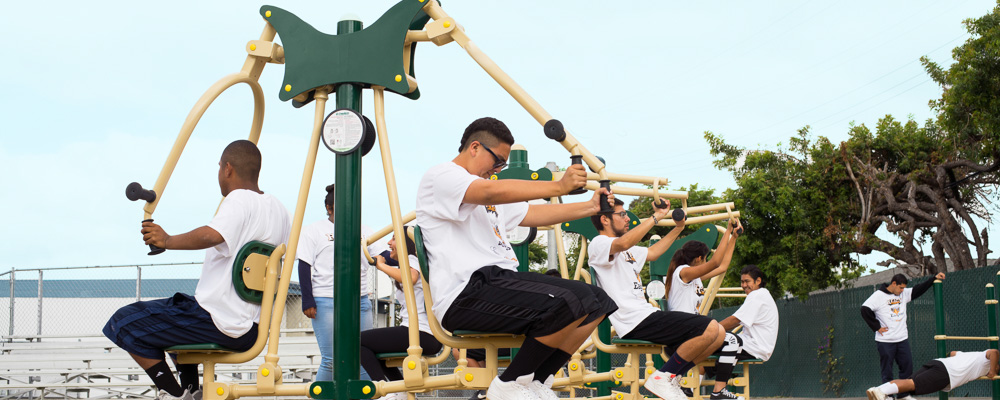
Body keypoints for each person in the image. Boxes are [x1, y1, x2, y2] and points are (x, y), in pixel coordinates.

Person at [416, 117, 618, 400]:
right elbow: (487, 191)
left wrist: (589, 207)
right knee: (570, 302)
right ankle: (510, 383)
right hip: (466, 291)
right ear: (474, 147)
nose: (497, 170)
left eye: (503, 166)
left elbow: (533, 214)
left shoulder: (487, 193)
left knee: (598, 302)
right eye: (497, 161)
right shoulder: (442, 176)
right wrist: (559, 187)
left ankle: (536, 380)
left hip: (497, 283)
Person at [104, 140, 291, 400]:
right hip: (253, 325)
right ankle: (191, 390)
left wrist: (167, 241)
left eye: (219, 169)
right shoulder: (279, 209)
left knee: (122, 323)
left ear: (227, 169)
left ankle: (175, 395)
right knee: (175, 313)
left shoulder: (237, 199)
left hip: (221, 319)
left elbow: (212, 235)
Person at [588, 198, 728, 400]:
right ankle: (664, 376)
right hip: (633, 320)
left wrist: (678, 228)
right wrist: (657, 217)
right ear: (605, 219)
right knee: (711, 328)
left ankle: (670, 377)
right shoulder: (599, 244)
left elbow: (653, 252)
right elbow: (624, 242)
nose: (627, 218)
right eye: (622, 214)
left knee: (719, 334)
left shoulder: (627, 249)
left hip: (647, 314)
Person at [297, 183, 387, 382]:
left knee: (362, 356)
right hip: (326, 300)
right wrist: (307, 299)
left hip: (359, 301)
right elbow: (304, 265)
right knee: (332, 359)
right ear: (329, 208)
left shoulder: (365, 230)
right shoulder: (315, 230)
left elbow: (384, 256)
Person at [359, 232, 443, 400]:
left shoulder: (412, 259)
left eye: (394, 238)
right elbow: (392, 263)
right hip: (422, 334)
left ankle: (384, 391)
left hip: (421, 333)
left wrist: (381, 266)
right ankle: (400, 391)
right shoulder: (407, 263)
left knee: (357, 341)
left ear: (405, 243)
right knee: (370, 348)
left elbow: (411, 277)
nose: (389, 242)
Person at [861, 272, 947, 400]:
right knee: (887, 370)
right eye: (900, 287)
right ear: (893, 283)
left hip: (902, 339)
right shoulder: (878, 296)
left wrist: (933, 278)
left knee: (907, 367)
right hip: (885, 340)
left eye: (904, 288)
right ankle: (887, 395)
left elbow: (919, 289)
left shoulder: (903, 293)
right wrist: (876, 327)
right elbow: (865, 309)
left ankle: (903, 394)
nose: (902, 290)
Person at [709, 264, 779, 400]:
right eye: (742, 282)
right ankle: (690, 389)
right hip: (755, 344)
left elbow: (735, 320)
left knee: (729, 340)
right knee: (709, 351)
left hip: (756, 345)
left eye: (747, 281)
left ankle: (718, 392)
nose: (744, 285)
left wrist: (709, 330)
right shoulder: (761, 295)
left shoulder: (757, 296)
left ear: (758, 281)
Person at [866, 349, 999, 400]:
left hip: (939, 363)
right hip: (947, 373)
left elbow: (953, 353)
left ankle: (878, 391)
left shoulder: (974, 356)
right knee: (912, 384)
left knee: (908, 382)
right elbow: (994, 352)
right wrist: (992, 371)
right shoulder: (987, 360)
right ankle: (881, 391)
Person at [664, 226, 738, 315]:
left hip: (691, 320)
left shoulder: (694, 277)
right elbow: (715, 263)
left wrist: (733, 237)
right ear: (699, 258)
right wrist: (728, 229)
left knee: (718, 327)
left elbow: (722, 267)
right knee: (715, 326)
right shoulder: (684, 272)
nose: (706, 262)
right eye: (705, 259)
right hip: (681, 321)